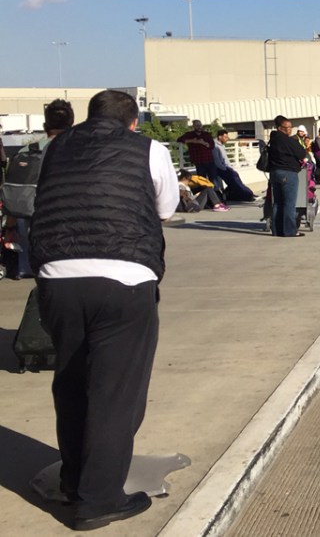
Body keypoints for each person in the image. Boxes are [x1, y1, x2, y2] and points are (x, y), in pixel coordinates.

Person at [30, 89, 177, 531]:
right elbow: (166, 209)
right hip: (124, 280)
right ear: (133, 122)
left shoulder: (57, 147)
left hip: (57, 278)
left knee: (72, 384)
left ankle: (75, 482)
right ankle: (98, 500)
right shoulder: (149, 148)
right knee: (114, 394)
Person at [4, 98, 74, 279]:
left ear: (45, 125)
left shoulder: (27, 150)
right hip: (69, 222)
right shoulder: (79, 151)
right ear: (72, 124)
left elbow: (16, 192)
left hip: (33, 219)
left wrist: (9, 229)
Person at [267, 115, 308, 237]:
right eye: (287, 127)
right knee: (289, 203)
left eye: (291, 127)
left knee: (278, 202)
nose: (289, 130)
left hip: (275, 173)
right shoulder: (288, 140)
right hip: (288, 173)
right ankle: (289, 231)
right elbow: (301, 153)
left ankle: (277, 230)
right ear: (280, 128)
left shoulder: (273, 140)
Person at [212, 130, 256, 202]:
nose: (227, 139)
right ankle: (248, 195)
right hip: (221, 169)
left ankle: (247, 193)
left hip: (227, 168)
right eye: (225, 137)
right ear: (220, 137)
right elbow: (217, 162)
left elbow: (225, 160)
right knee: (235, 180)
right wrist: (226, 169)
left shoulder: (221, 145)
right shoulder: (215, 146)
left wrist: (230, 168)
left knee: (236, 179)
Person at [176, 119, 219, 193]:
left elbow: (212, 145)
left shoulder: (206, 134)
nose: (199, 127)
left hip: (209, 160)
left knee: (213, 178)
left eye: (200, 125)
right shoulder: (189, 134)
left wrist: (204, 143)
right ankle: (206, 195)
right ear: (193, 126)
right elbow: (179, 139)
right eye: (197, 125)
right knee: (202, 180)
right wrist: (193, 141)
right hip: (199, 161)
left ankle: (217, 195)